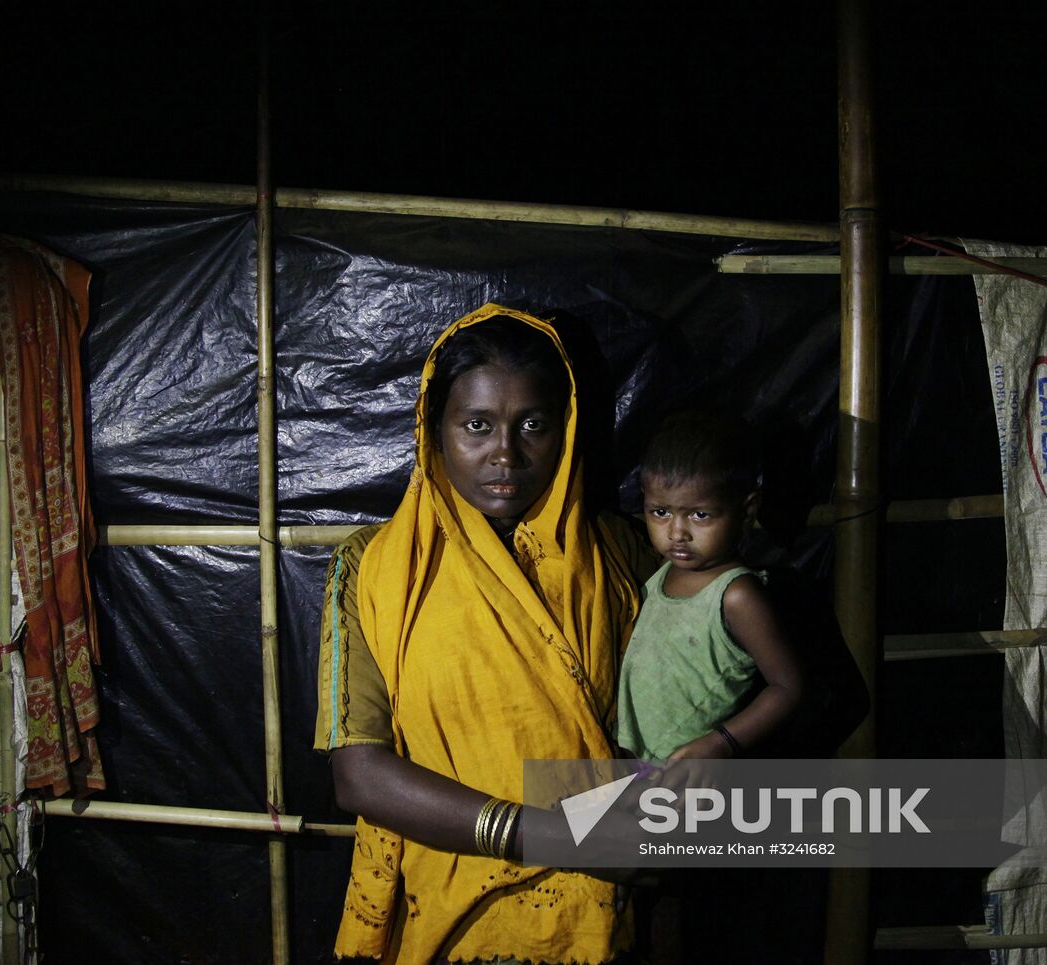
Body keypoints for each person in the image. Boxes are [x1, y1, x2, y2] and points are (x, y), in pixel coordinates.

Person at [313, 303, 655, 964]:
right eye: (477, 425)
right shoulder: (375, 567)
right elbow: (359, 774)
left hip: (595, 913)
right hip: (442, 915)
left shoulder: (618, 556)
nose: (506, 453)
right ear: (433, 428)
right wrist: (552, 834)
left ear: (567, 427)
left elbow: (671, 717)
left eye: (533, 424)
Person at [615, 408, 804, 767]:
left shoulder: (736, 595)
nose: (677, 532)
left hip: (682, 772)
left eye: (700, 515)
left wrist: (721, 744)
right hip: (629, 761)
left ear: (746, 510)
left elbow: (788, 688)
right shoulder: (663, 573)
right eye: (660, 512)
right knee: (563, 818)